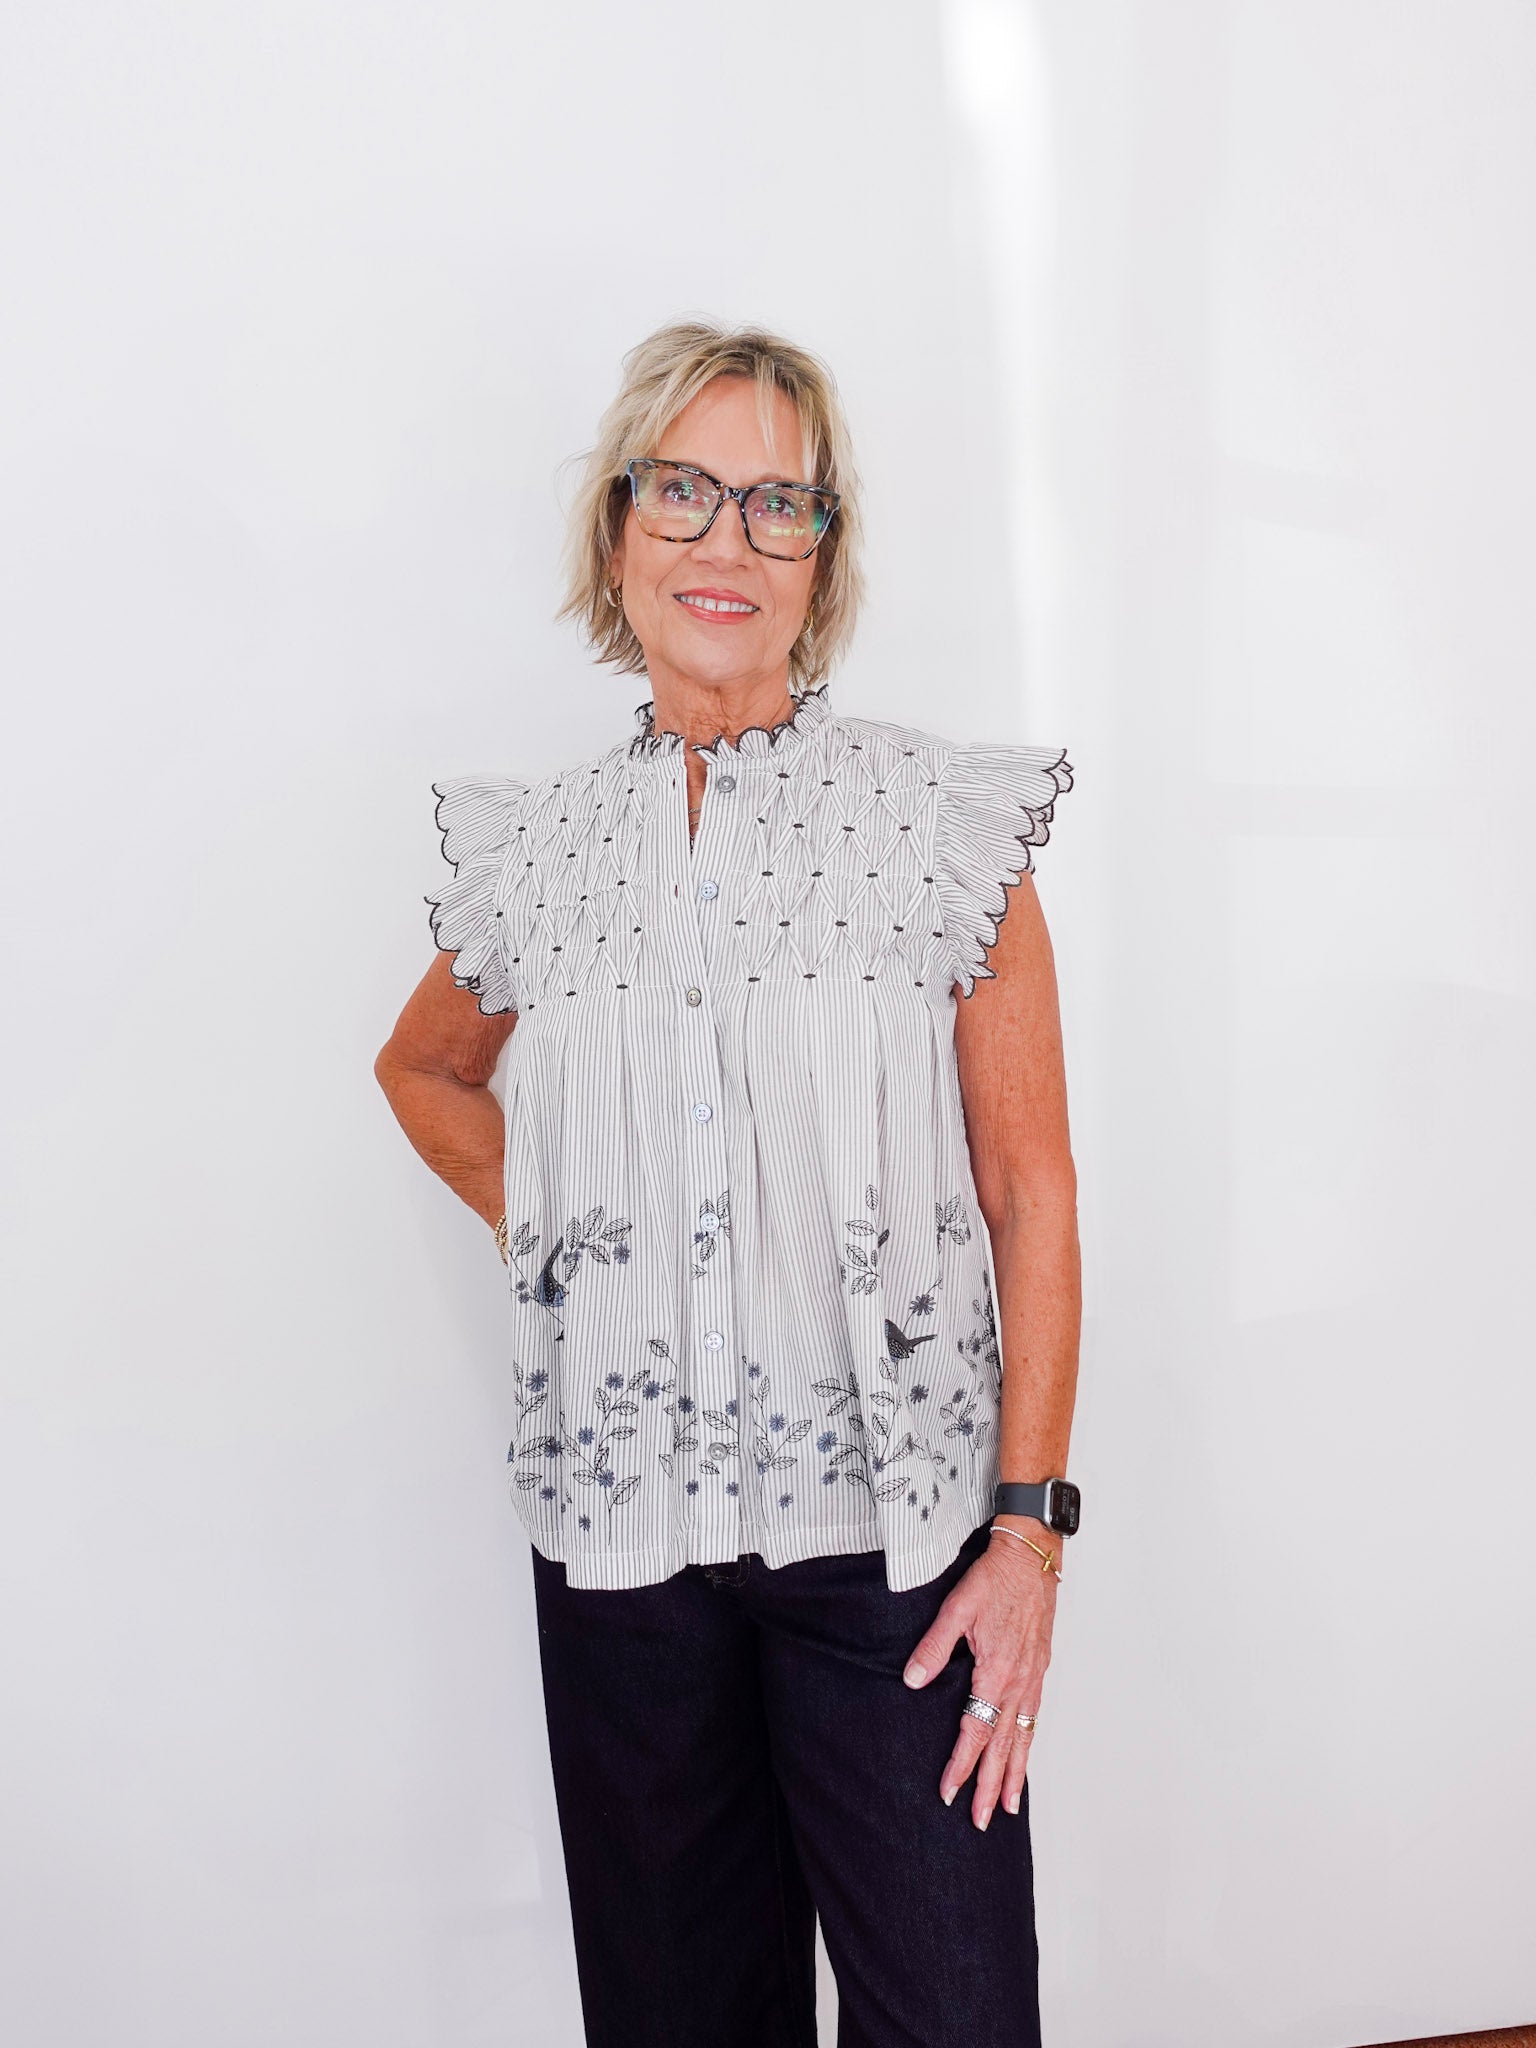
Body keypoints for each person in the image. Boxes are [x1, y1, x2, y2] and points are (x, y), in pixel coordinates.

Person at [374, 319, 1081, 2048]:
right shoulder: (536, 854)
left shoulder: (941, 825)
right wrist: (561, 1230)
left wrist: (1030, 1533)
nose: (729, 540)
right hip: (622, 1556)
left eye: (781, 505)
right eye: (686, 490)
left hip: (894, 1558)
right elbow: (422, 1070)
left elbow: (1031, 1189)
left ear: (821, 557)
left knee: (954, 2013)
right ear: (619, 526)